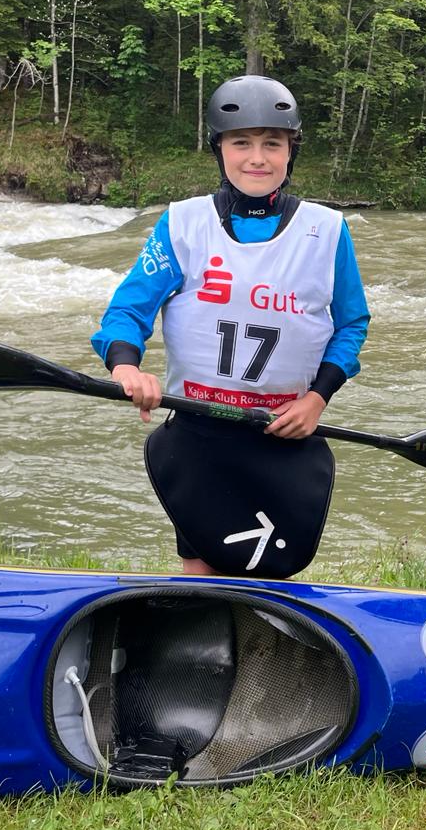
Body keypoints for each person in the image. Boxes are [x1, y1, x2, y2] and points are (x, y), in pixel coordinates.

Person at [93, 74, 370, 579]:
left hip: (282, 434)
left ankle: (264, 658)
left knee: (270, 579)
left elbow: (351, 324)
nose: (257, 158)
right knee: (200, 569)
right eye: (241, 143)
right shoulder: (182, 224)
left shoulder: (327, 230)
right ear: (219, 149)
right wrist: (126, 366)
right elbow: (129, 308)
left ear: (291, 152)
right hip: (199, 433)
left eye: (273, 144)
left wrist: (317, 399)